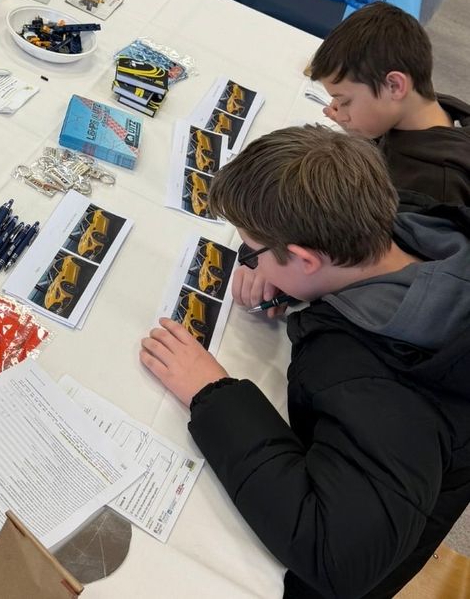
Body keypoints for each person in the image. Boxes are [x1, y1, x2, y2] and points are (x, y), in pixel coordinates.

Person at [141, 125, 470, 599]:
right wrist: (299, 285)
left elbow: (338, 557)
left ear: (304, 257)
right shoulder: (423, 224)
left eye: (251, 253)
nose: (249, 264)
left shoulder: (381, 382)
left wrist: (214, 395)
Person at [308, 2, 470, 206]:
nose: (340, 114)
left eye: (345, 101)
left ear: (394, 86)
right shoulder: (426, 110)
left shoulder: (437, 186)